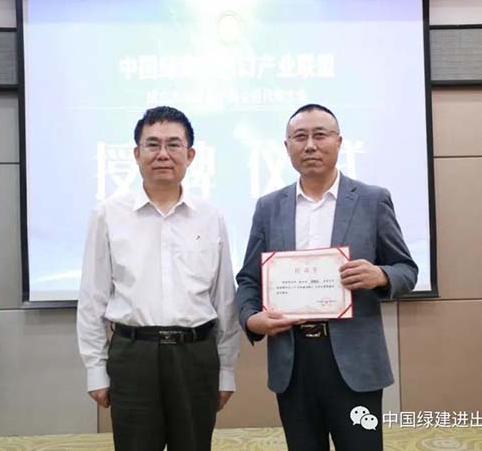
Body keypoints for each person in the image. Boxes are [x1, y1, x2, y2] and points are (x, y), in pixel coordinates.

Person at [236, 104, 418, 451]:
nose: (310, 145)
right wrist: (251, 319)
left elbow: (406, 270)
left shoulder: (371, 200)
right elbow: (248, 279)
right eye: (299, 137)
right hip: (293, 360)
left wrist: (380, 275)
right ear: (286, 146)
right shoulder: (269, 207)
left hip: (355, 361)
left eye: (320, 135)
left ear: (339, 141)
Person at [77, 106, 240, 451]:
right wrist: (95, 368)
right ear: (136, 154)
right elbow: (92, 297)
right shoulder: (108, 214)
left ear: (190, 155)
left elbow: (224, 300)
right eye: (152, 144)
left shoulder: (210, 216)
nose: (162, 154)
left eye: (173, 144)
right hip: (133, 355)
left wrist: (226, 369)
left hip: (195, 355)